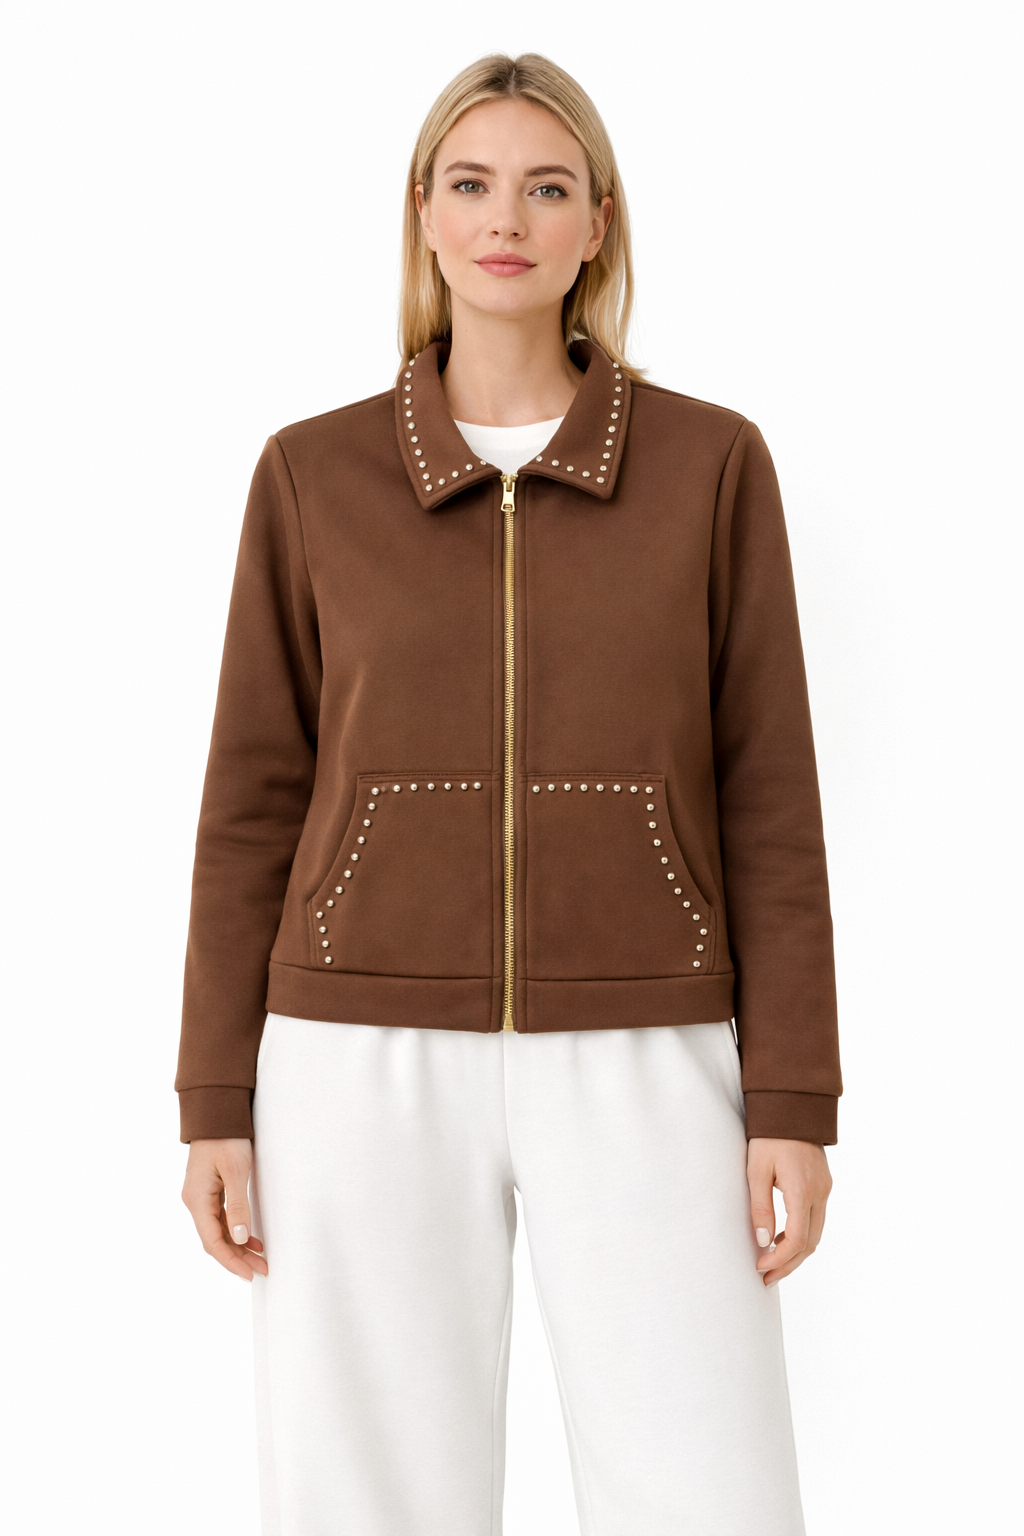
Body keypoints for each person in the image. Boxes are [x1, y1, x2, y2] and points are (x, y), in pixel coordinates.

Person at [178, 51, 841, 1536]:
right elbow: (250, 801)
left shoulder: (711, 467)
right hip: (355, 1049)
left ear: (597, 223)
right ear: (422, 211)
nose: (506, 219)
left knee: (707, 1491)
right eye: (471, 184)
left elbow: (771, 801)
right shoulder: (313, 476)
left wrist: (793, 1096)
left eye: (547, 188)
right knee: (365, 1498)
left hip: (648, 1038)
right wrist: (215, 1092)